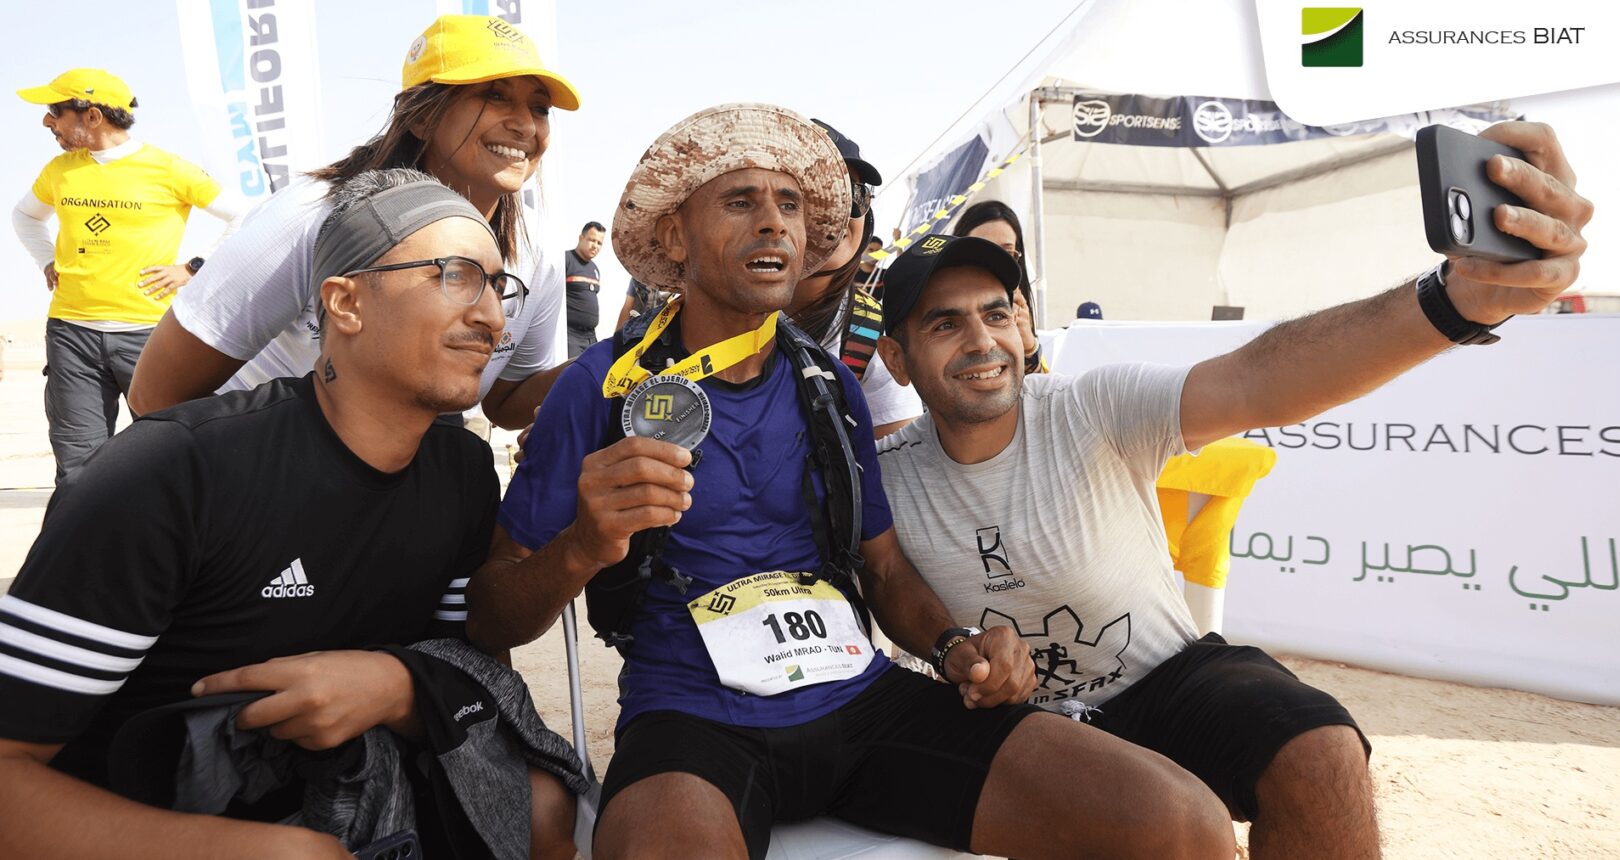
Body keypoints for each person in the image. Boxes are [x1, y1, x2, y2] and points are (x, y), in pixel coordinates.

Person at [465, 102, 1235, 860]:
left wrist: (952, 645)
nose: (774, 224)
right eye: (741, 201)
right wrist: (583, 545)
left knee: (1181, 821)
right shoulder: (601, 389)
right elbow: (493, 615)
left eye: (790, 206)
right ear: (674, 236)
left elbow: (886, 570)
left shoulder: (829, 387)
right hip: (692, 722)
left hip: (863, 703)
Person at [872, 119, 1591, 860]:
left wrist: (1455, 301)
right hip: (1006, 724)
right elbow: (880, 587)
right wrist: (955, 650)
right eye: (945, 324)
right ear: (896, 359)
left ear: (1022, 328)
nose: (981, 341)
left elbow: (1258, 379)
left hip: (1164, 680)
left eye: (995, 313)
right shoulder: (881, 478)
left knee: (1320, 754)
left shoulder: (1092, 407)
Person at [0, 170, 581, 858]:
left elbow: (468, 677)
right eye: (455, 276)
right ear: (345, 303)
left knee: (542, 808)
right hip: (137, 816)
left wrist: (401, 687)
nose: (492, 318)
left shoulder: (461, 472)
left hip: (344, 788)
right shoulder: (175, 470)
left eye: (498, 286)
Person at [127, 14, 580, 431]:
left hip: (407, 472)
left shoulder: (533, 248)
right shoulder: (312, 214)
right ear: (422, 117)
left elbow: (506, 404)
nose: (525, 125)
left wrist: (608, 358)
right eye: (494, 95)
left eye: (540, 108)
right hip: (260, 465)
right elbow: (155, 396)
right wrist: (268, 478)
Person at [12, 68, 244, 483]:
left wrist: (193, 268)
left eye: (56, 111)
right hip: (71, 334)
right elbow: (24, 216)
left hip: (150, 336)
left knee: (169, 455)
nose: (47, 121)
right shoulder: (59, 170)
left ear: (93, 116)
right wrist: (46, 258)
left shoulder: (169, 168)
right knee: (78, 468)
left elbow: (243, 217)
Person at [786, 119, 920, 438]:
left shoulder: (871, 331)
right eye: (813, 194)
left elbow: (899, 456)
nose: (836, 212)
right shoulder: (705, 316)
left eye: (852, 195)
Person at [952, 199, 1045, 373]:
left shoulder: (1019, 312)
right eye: (981, 250)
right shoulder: (937, 306)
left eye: (1007, 252)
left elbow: (1040, 387)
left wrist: (1029, 349)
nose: (997, 261)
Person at [565, 220, 605, 357]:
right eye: (592, 240)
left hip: (590, 337)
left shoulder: (595, 269)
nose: (595, 246)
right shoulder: (566, 260)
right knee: (572, 369)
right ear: (581, 238)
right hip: (570, 335)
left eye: (599, 243)